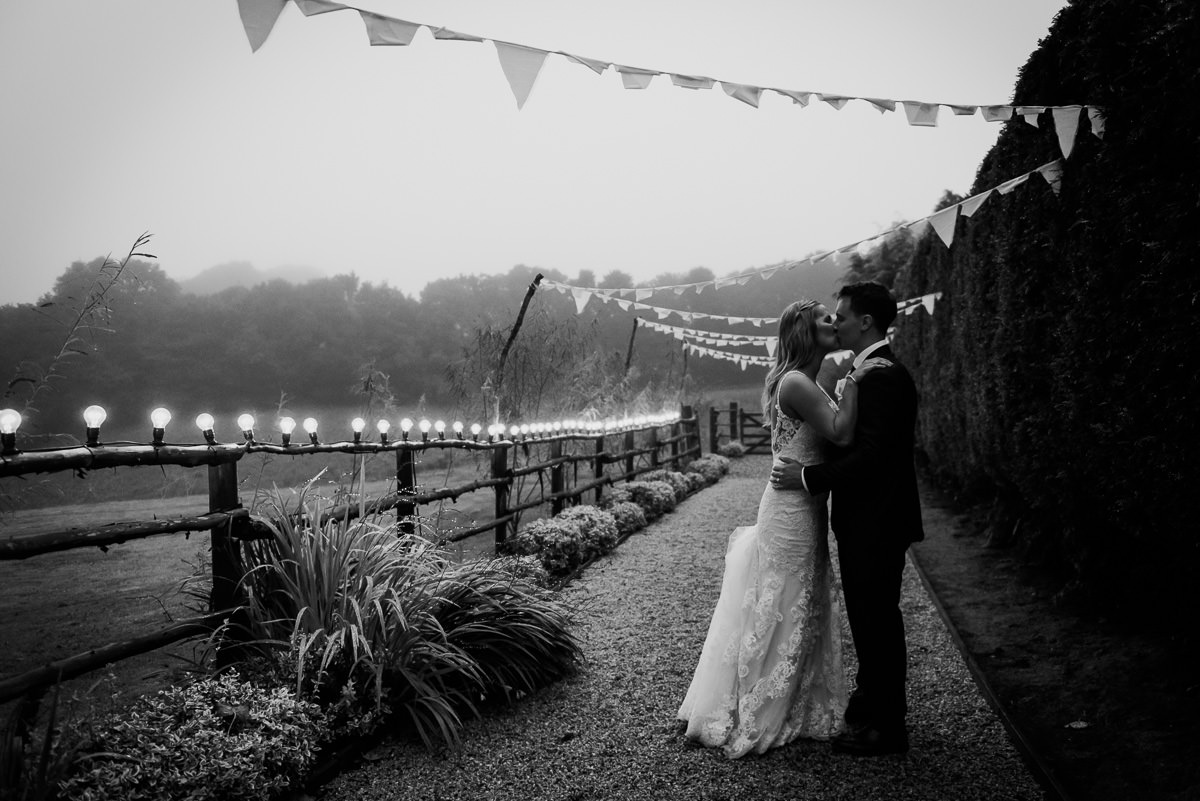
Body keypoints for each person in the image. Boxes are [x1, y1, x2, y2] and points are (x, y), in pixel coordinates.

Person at [677, 297, 891, 758]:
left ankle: (791, 698)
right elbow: (839, 433)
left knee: (800, 602)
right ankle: (762, 706)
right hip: (791, 509)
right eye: (824, 320)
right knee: (782, 603)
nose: (834, 323)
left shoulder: (806, 380)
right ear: (804, 332)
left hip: (803, 504)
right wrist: (856, 378)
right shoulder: (796, 382)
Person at [770, 281, 924, 757]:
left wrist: (810, 478)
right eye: (827, 317)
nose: (835, 322)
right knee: (867, 617)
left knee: (877, 620)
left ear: (866, 322)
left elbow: (874, 456)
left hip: (877, 521)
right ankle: (868, 700)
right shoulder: (864, 372)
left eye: (840, 315)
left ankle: (889, 727)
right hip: (864, 521)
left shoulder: (882, 375)